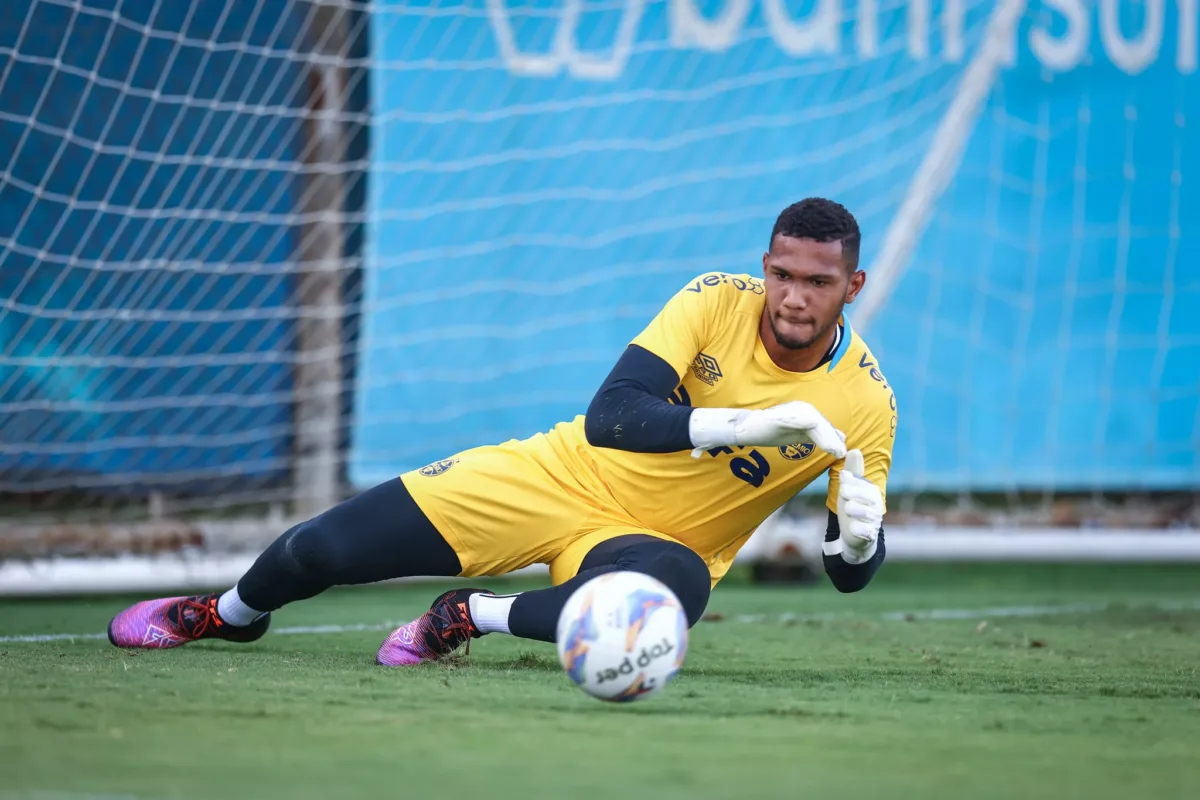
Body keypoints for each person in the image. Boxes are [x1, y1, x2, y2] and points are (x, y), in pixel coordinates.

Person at [108, 198, 898, 665]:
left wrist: (859, 544)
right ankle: (228, 616)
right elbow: (613, 416)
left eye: (818, 283)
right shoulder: (715, 299)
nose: (794, 298)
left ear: (852, 286)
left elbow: (847, 576)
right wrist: (747, 424)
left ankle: (467, 614)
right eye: (782, 275)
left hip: (651, 546)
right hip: (556, 475)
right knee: (321, 550)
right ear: (765, 266)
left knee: (668, 600)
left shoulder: (866, 403)